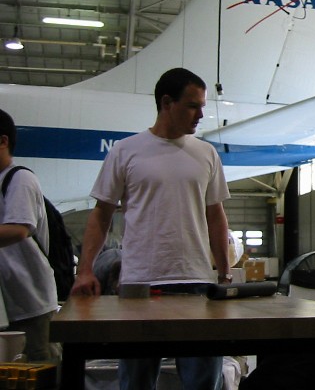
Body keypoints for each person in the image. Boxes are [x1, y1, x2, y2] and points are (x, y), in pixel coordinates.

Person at [71, 67, 232, 390]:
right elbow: (101, 214)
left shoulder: (206, 153)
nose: (201, 115)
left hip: (196, 283)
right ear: (167, 103)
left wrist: (225, 273)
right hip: (139, 286)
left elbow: (216, 216)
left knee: (202, 382)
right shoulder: (126, 151)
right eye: (193, 106)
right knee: (136, 382)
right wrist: (85, 270)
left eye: (202, 106)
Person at [0, 108, 60, 363]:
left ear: (3, 141)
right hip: (7, 305)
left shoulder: (20, 179)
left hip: (30, 304)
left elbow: (19, 229)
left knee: (39, 366)